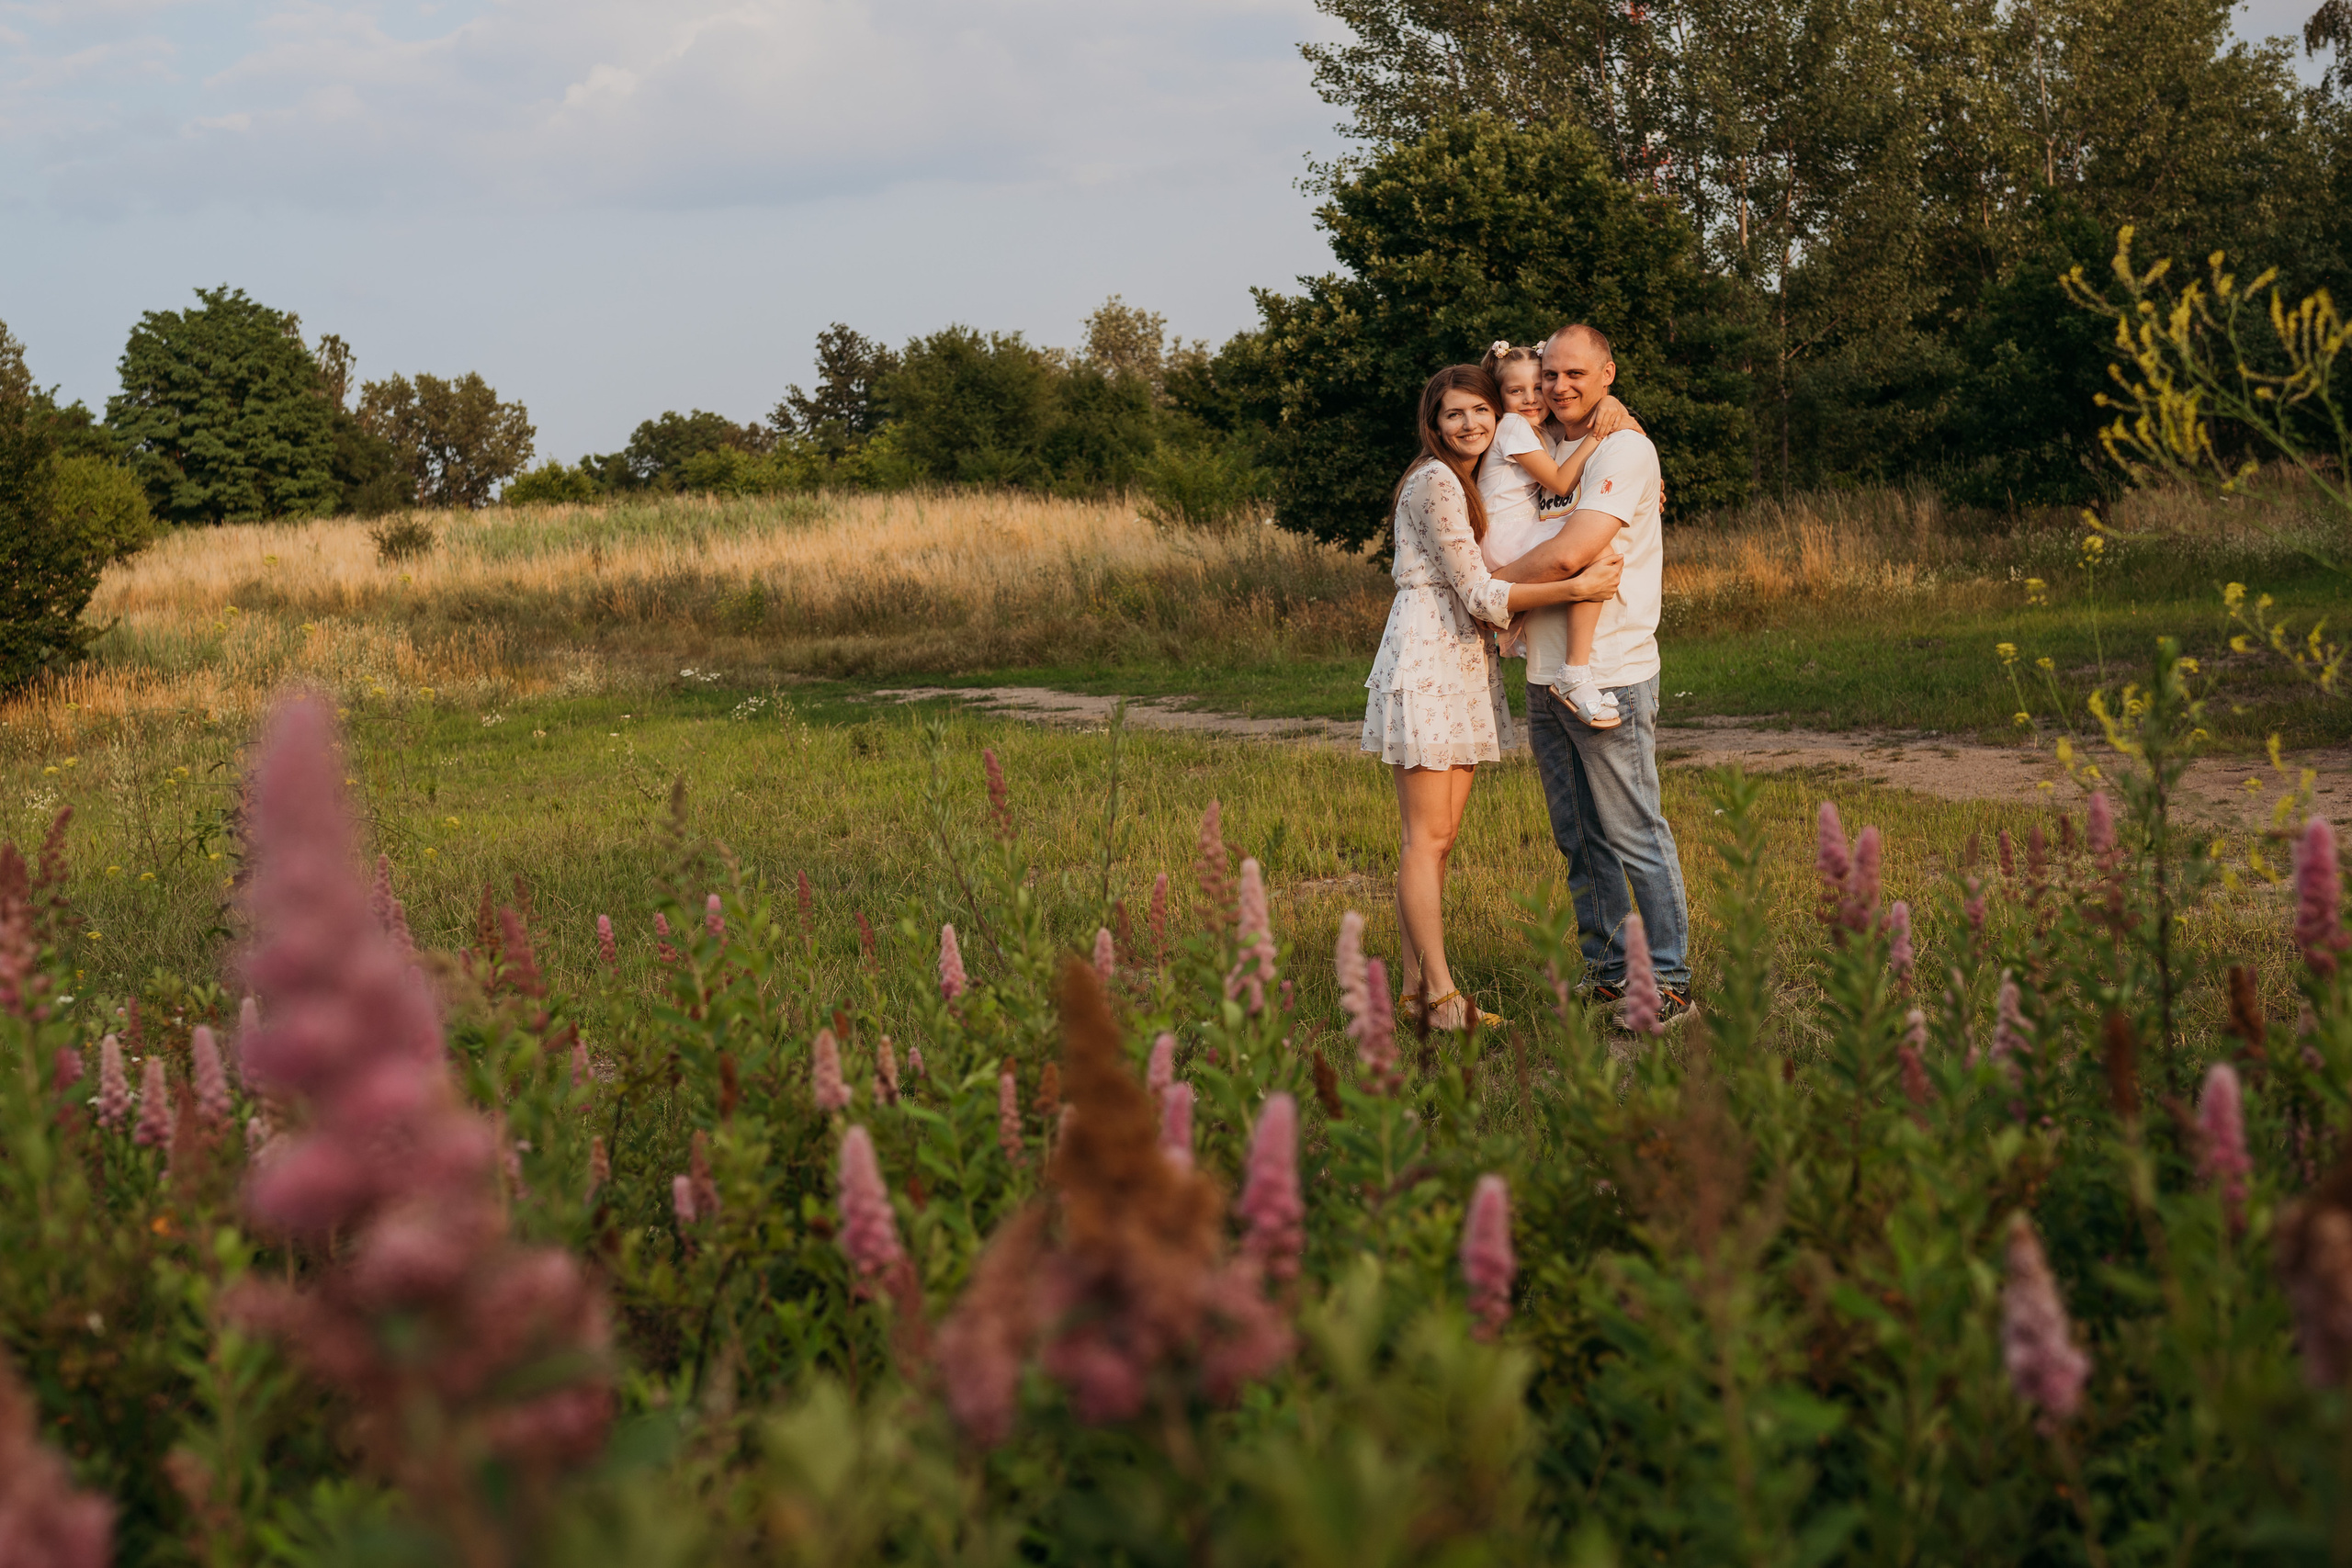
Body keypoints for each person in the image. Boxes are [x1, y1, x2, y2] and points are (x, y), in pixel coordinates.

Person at [1362, 365, 1624, 1031]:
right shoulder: (1436, 481)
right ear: (1434, 424)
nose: (1471, 423)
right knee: (1425, 840)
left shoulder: (1466, 481)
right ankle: (1441, 1000)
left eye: (1480, 410)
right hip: (1428, 658)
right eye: (1454, 414)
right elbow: (1480, 594)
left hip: (1457, 659)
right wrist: (1575, 588)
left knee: (1440, 839)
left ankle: (1416, 995)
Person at [1489, 325, 1694, 1023]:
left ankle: (1669, 983)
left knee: (1635, 833)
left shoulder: (1624, 448)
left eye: (1575, 374)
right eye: (1550, 374)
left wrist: (1487, 589)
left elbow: (1571, 554)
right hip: (1546, 675)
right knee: (1578, 837)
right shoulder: (1543, 442)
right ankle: (1608, 973)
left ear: (1608, 373)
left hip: (1608, 673)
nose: (1558, 386)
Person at [1476, 339, 1641, 728]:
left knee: (1583, 544)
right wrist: (1598, 436)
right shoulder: (1512, 426)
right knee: (1593, 552)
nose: (1531, 398)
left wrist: (1612, 406)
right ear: (1499, 397)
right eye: (1516, 391)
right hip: (1506, 534)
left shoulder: (1542, 430)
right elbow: (1562, 482)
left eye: (1539, 386)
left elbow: (1629, 432)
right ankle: (1575, 671)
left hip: (1515, 531)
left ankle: (1521, 635)